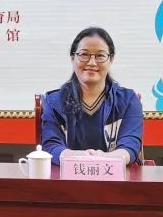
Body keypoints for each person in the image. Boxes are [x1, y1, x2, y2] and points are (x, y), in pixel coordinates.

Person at [41, 27, 143, 166]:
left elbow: (130, 146)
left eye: (100, 56)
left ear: (111, 59)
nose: (92, 62)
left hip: (116, 177)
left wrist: (103, 159)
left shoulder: (128, 100)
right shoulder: (54, 102)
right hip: (66, 177)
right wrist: (85, 158)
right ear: (72, 58)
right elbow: (51, 146)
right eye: (84, 54)